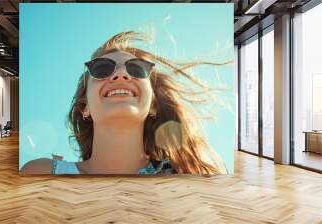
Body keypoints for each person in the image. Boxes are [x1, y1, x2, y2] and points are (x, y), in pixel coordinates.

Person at [21, 31, 231, 175]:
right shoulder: (41, 171)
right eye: (102, 68)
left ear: (153, 105)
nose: (121, 74)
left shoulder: (186, 177)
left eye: (137, 69)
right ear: (85, 107)